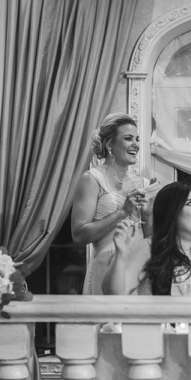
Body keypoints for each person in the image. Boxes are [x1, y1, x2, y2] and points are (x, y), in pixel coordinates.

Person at [71, 113, 150, 294]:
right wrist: (122, 213)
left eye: (137, 139)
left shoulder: (143, 184)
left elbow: (149, 236)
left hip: (138, 269)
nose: (136, 145)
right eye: (128, 138)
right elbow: (79, 236)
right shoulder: (91, 179)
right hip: (105, 266)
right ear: (109, 144)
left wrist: (149, 215)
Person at [102, 181, 191, 296]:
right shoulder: (148, 247)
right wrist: (121, 255)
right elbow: (114, 294)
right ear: (171, 211)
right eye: (190, 203)